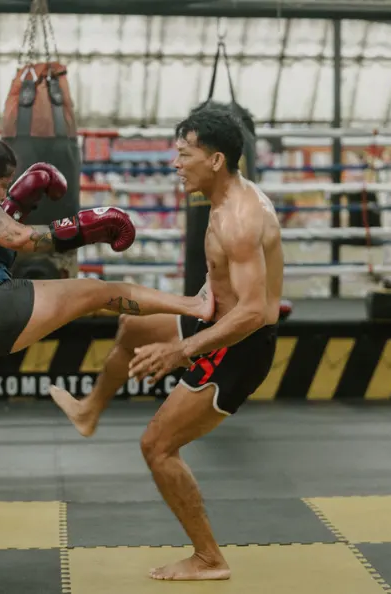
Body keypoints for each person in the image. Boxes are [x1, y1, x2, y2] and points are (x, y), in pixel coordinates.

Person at [0, 115, 215, 580]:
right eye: (2, 186)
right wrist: (92, 227)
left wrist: (18, 203)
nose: (4, 195)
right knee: (98, 293)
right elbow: (21, 239)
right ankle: (195, 301)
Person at [51, 104, 284, 581]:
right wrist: (192, 304)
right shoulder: (227, 199)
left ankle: (208, 558)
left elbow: (256, 311)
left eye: (184, 154)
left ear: (215, 160)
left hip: (240, 345)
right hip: (216, 317)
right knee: (134, 326)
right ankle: (90, 410)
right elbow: (226, 289)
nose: (175, 164)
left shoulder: (238, 219)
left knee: (157, 446)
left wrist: (181, 351)